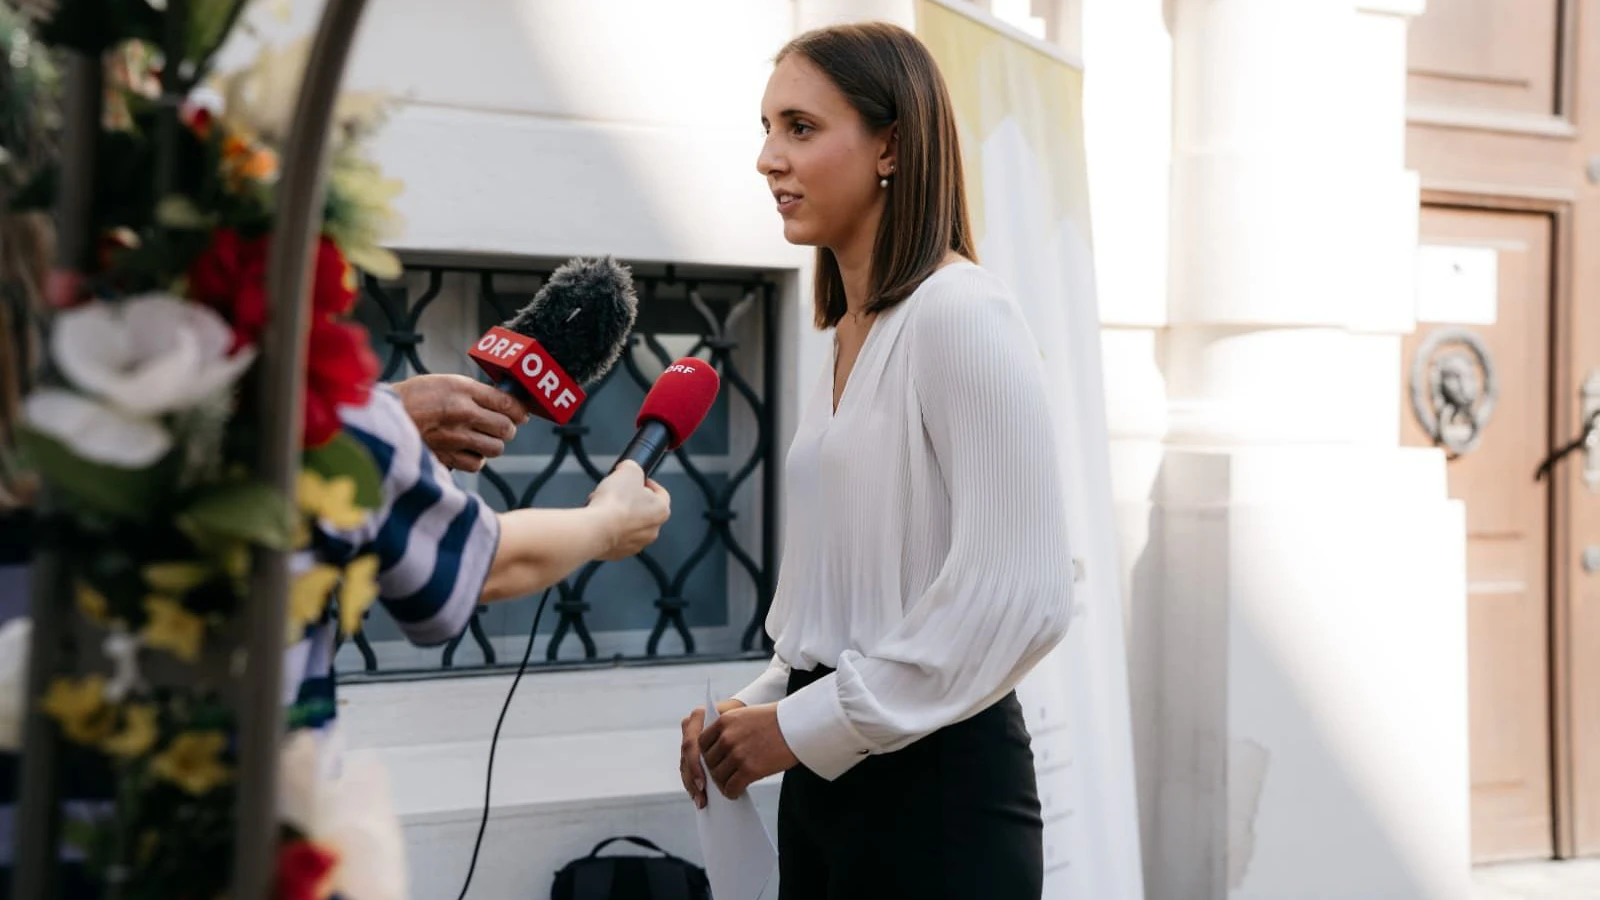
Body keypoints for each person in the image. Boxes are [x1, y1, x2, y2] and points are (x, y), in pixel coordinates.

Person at [676, 21, 1074, 899]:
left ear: (890, 144)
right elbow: (849, 604)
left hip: (936, 799)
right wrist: (756, 707)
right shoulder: (845, 338)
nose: (767, 158)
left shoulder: (961, 314)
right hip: (826, 790)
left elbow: (1022, 594)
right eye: (767, 128)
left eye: (800, 127)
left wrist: (801, 724)